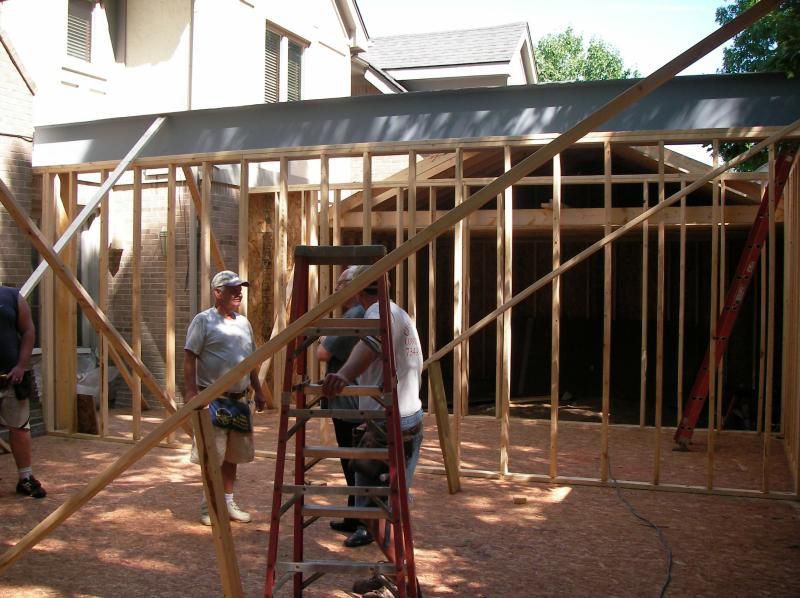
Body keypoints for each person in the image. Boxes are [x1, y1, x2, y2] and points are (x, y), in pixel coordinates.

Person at [321, 265, 424, 555]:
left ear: (359, 288)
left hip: (386, 423)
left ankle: (401, 580)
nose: (338, 291)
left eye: (344, 285)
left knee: (370, 509)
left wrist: (342, 375)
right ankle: (396, 576)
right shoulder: (396, 312)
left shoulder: (378, 313)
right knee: (391, 503)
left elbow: (368, 346)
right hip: (405, 416)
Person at [184, 270, 266, 526]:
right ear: (217, 292)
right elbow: (189, 357)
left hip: (239, 400)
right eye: (232, 289)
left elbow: (250, 361)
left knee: (232, 456)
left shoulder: (243, 323)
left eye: (239, 288)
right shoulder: (203, 321)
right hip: (214, 400)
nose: (238, 293)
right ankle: (210, 505)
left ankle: (228, 502)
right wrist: (192, 394)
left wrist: (259, 390)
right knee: (212, 456)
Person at [317, 266, 365, 536]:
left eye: (340, 284)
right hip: (350, 401)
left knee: (353, 461)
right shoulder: (356, 314)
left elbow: (322, 353)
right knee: (350, 461)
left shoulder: (354, 315)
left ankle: (360, 521)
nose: (336, 290)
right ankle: (353, 516)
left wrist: (324, 337)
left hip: (350, 404)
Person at [0, 285, 46, 498]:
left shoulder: (11, 296)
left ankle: (25, 478)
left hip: (11, 377)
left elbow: (28, 330)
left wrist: (21, 365)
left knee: (20, 429)